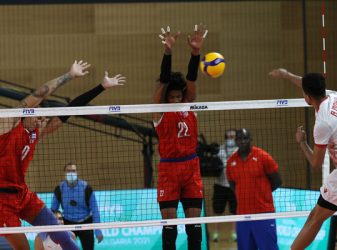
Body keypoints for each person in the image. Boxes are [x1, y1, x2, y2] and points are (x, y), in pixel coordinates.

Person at [0, 60, 126, 250]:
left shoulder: (37, 132)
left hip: (23, 194)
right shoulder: (7, 124)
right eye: (38, 114)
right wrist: (69, 76)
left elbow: (69, 111)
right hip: (2, 202)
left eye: (43, 116)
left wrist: (101, 87)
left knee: (65, 237)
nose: (42, 119)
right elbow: (39, 93)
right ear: (26, 113)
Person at [269, 68, 337, 250]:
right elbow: (306, 84)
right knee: (315, 216)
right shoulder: (334, 96)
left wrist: (302, 143)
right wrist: (287, 75)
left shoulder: (323, 123)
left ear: (307, 97)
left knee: (315, 219)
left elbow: (316, 163)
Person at [153, 24, 208, 250]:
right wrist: (168, 51)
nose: (176, 100)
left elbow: (192, 79)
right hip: (169, 170)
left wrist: (195, 53)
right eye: (172, 97)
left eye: (179, 96)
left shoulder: (189, 106)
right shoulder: (159, 111)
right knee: (170, 227)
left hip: (191, 167)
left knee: (194, 227)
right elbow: (163, 81)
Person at [226, 128, 282, 250]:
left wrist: (262, 192)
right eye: (239, 138)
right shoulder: (231, 162)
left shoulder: (263, 157)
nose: (242, 141)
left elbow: (277, 181)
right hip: (242, 216)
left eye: (245, 138)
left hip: (263, 214)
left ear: (250, 140)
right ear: (236, 141)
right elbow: (232, 185)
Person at [51, 162, 103, 250]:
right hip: (68, 223)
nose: (71, 173)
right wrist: (51, 229)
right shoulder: (59, 189)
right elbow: (53, 210)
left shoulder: (86, 188)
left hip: (85, 223)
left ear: (77, 172)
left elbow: (95, 210)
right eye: (68, 171)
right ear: (65, 173)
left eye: (73, 171)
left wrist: (98, 231)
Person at [211, 129, 237, 242]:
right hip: (220, 185)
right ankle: (216, 233)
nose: (231, 139)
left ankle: (234, 234)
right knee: (217, 211)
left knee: (234, 211)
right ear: (225, 138)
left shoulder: (239, 151)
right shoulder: (219, 150)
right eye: (229, 136)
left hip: (234, 186)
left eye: (233, 137)